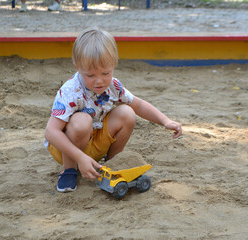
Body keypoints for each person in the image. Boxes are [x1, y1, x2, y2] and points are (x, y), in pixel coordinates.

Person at [44, 27, 182, 193]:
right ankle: (69, 170)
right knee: (82, 120)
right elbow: (51, 132)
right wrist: (79, 157)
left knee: (127, 112)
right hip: (66, 148)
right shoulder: (70, 91)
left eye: (105, 73)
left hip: (94, 141)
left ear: (114, 64)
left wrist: (165, 121)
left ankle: (112, 163)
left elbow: (138, 105)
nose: (99, 81)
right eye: (90, 75)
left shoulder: (113, 86)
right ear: (77, 66)